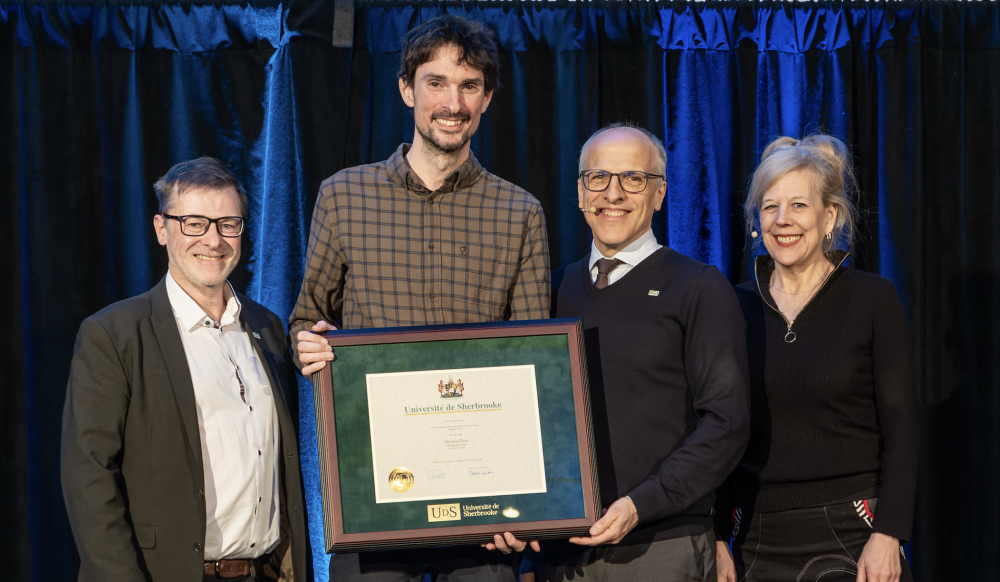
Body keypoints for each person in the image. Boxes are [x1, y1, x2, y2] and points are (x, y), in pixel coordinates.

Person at [289, 14, 550, 582]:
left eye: (470, 85)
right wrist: (309, 348)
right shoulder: (343, 196)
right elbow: (307, 321)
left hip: (483, 509)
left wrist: (528, 506)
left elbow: (535, 363)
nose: (452, 102)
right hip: (374, 500)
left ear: (487, 99)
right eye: (436, 82)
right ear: (407, 89)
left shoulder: (520, 212)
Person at [496, 123, 751, 580]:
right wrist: (516, 514)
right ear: (579, 192)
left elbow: (727, 424)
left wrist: (640, 505)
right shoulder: (547, 291)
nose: (612, 193)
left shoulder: (697, 288)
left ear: (659, 194)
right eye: (598, 177)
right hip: (560, 555)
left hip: (660, 546)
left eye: (633, 178)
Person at [61, 158, 309, 582]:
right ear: (162, 229)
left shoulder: (267, 327)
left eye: (228, 223)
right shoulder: (115, 334)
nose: (213, 240)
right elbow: (89, 477)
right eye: (194, 223)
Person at [713, 135, 918, 582]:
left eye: (799, 206)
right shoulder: (732, 307)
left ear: (830, 216)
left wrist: (890, 534)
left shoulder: (873, 299)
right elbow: (715, 431)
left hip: (853, 532)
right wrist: (715, 539)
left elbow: (902, 426)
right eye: (770, 207)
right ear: (756, 220)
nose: (783, 221)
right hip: (753, 538)